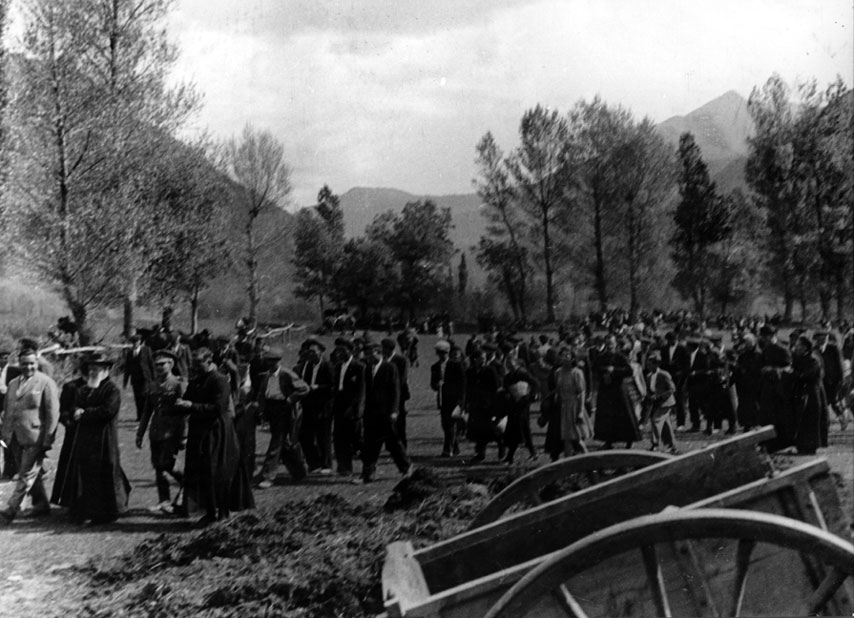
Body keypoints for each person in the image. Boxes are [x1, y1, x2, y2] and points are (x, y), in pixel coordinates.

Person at [49, 352, 130, 525]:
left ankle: (108, 513)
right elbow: (75, 406)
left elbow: (107, 411)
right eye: (91, 369)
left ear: (106, 369)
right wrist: (75, 411)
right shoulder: (88, 389)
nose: (93, 372)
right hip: (86, 440)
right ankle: (87, 510)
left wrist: (84, 414)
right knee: (87, 475)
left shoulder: (111, 389)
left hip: (104, 439)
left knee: (104, 473)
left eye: (97, 369)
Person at [176, 347, 254, 524]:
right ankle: (210, 512)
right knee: (202, 472)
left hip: (216, 431)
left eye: (198, 364)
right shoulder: (197, 379)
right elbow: (187, 397)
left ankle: (223, 512)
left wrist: (191, 405)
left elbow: (218, 408)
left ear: (209, 361)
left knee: (218, 473)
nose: (195, 367)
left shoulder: (220, 380)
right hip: (199, 431)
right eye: (193, 364)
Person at [0, 348, 59, 523]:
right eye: (24, 363)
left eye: (32, 363)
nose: (28, 367)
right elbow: (9, 411)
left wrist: (48, 438)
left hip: (36, 436)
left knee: (26, 474)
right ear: (19, 364)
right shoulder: (13, 384)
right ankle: (41, 505)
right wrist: (5, 435)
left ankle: (11, 509)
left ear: (37, 363)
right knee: (30, 472)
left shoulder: (46, 383)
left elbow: (52, 413)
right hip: (16, 437)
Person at [135, 350, 187, 514]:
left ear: (170, 364)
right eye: (156, 364)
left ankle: (188, 483)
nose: (158, 367)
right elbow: (146, 411)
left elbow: (185, 412)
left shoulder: (179, 384)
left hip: (172, 432)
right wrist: (140, 433)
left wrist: (184, 435)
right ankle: (164, 501)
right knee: (158, 466)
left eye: (162, 364)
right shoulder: (152, 384)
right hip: (156, 431)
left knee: (168, 464)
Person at [356, 342, 411, 483]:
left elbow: (395, 390)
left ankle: (406, 467)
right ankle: (368, 474)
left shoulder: (389, 368)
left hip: (386, 413)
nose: (367, 356)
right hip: (371, 413)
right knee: (369, 444)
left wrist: (394, 411)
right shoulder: (367, 369)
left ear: (378, 352)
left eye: (369, 353)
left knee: (393, 443)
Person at [256, 348, 310, 487]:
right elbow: (263, 394)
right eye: (267, 361)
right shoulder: (266, 376)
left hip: (283, 409)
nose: (269, 364)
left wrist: (290, 400)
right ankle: (299, 472)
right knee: (283, 444)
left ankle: (268, 476)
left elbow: (304, 388)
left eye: (272, 361)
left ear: (278, 361)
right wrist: (262, 412)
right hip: (271, 408)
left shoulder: (286, 374)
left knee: (276, 443)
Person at [544, 346, 591, 460]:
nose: (565, 358)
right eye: (563, 355)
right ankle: (568, 463)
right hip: (562, 407)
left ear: (573, 358)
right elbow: (557, 389)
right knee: (566, 438)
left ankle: (589, 460)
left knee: (576, 437)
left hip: (573, 406)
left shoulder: (577, 373)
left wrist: (580, 412)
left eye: (567, 356)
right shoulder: (558, 372)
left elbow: (581, 393)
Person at [295, 338, 335, 474]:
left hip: (323, 407)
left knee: (323, 437)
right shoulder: (307, 366)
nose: (311, 354)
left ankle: (326, 465)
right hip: (309, 406)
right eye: (309, 352)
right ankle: (314, 463)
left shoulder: (327, 366)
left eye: (314, 352)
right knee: (304, 435)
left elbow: (332, 386)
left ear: (321, 352)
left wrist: (318, 387)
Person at [593, 335, 639, 449]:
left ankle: (629, 440)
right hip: (606, 390)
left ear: (615, 344)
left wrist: (615, 370)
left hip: (619, 390)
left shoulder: (620, 356)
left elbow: (629, 371)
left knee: (624, 416)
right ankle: (609, 440)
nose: (609, 346)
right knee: (607, 416)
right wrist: (603, 374)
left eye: (611, 343)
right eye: (607, 343)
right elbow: (595, 371)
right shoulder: (600, 357)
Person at [758, 325, 795, 451]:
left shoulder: (782, 350)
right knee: (766, 416)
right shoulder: (766, 349)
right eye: (763, 337)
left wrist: (772, 370)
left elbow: (789, 369)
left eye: (767, 336)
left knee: (779, 417)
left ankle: (780, 444)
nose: (765, 339)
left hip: (780, 389)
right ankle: (767, 443)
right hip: (768, 387)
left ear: (773, 336)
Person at [331, 338, 364, 477]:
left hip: (352, 407)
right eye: (338, 351)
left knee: (355, 439)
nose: (340, 353)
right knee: (339, 437)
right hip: (339, 405)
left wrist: (358, 410)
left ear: (351, 351)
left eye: (343, 351)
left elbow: (362, 391)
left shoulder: (359, 367)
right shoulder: (337, 366)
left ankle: (368, 464)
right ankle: (344, 466)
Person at [465, 344, 504, 462]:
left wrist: (495, 404)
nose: (484, 359)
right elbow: (468, 388)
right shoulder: (470, 371)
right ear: (475, 359)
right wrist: (467, 403)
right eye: (481, 358)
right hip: (475, 405)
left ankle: (502, 447)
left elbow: (497, 387)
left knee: (492, 429)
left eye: (484, 358)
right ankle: (480, 454)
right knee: (478, 431)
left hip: (487, 405)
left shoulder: (490, 370)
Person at [430, 340, 466, 457]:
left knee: (450, 424)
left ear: (448, 353)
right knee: (445, 424)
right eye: (440, 353)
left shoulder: (456, 365)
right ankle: (455, 448)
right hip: (442, 399)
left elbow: (462, 384)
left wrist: (460, 401)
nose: (442, 355)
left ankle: (447, 449)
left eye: (444, 353)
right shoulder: (435, 367)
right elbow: (433, 384)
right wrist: (437, 385)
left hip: (454, 399)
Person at [501, 350, 538, 464]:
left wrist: (530, 397)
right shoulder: (507, 377)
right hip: (513, 405)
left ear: (516, 364)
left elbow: (535, 383)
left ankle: (513, 455)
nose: (510, 366)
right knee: (517, 429)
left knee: (521, 428)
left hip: (523, 404)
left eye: (511, 364)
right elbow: (506, 389)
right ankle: (529, 453)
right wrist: (507, 395)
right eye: (507, 365)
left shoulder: (522, 373)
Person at [792, 335, 823, 455]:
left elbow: (806, 375)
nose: (797, 348)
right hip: (801, 392)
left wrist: (793, 373)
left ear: (805, 347)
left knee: (810, 419)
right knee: (802, 419)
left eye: (799, 346)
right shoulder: (799, 359)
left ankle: (811, 446)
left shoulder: (813, 360)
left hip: (811, 393)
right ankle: (801, 445)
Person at [645, 351, 678, 453]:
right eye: (647, 364)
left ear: (656, 364)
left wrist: (659, 397)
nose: (648, 366)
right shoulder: (649, 376)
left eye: (650, 364)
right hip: (656, 403)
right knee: (665, 425)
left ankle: (655, 444)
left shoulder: (664, 374)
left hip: (665, 403)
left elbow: (672, 389)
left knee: (656, 421)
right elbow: (649, 390)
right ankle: (672, 446)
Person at [382, 338, 411, 448]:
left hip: (399, 395)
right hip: (385, 396)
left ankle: (402, 444)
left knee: (399, 421)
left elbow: (402, 379)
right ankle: (390, 444)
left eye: (384, 348)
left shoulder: (401, 360)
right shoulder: (383, 360)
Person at [733, 333, 762, 431]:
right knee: (744, 405)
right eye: (746, 343)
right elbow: (738, 367)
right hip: (743, 384)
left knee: (754, 405)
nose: (747, 345)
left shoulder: (758, 355)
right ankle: (746, 424)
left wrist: (747, 370)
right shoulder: (743, 355)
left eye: (749, 343)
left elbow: (758, 369)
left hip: (754, 384)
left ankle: (755, 423)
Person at [123, 333, 154, 421]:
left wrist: (154, 378)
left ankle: (145, 416)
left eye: (137, 342)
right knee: (137, 398)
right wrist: (125, 381)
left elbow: (151, 364)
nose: (135, 344)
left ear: (140, 342)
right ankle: (139, 416)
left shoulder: (147, 350)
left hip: (145, 378)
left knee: (143, 396)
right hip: (135, 379)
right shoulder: (129, 354)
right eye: (133, 342)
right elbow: (127, 368)